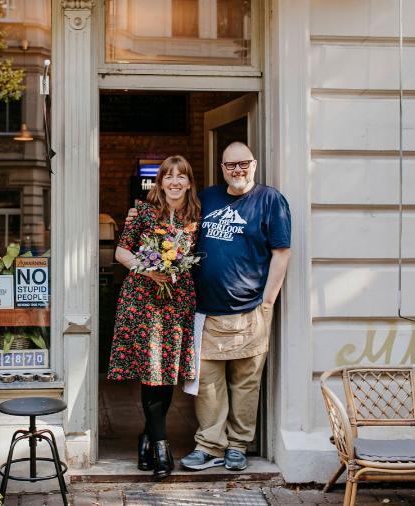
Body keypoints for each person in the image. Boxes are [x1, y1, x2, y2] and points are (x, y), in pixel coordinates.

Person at [124, 142, 291, 473]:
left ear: (254, 165)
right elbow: (172, 221)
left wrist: (268, 303)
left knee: (245, 383)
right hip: (204, 310)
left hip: (251, 309)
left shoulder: (271, 200)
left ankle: (238, 446)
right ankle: (209, 445)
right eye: (231, 165)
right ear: (221, 168)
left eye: (243, 164)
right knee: (207, 383)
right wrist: (138, 212)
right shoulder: (208, 199)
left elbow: (281, 253)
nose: (237, 170)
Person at [107, 155, 201, 479]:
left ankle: (147, 436)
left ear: (189, 182)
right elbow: (121, 252)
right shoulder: (143, 211)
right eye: (168, 176)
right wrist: (149, 269)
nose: (174, 182)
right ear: (159, 182)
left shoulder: (195, 217)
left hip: (177, 304)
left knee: (167, 373)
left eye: (181, 176)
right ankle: (161, 445)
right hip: (144, 302)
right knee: (151, 371)